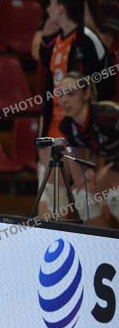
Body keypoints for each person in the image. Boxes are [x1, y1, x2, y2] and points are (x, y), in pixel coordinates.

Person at [37, 0, 110, 220]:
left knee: (86, 198)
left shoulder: (87, 39)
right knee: (51, 200)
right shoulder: (53, 42)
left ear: (61, 8)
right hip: (55, 130)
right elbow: (46, 92)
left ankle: (100, 241)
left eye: (50, 3)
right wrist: (42, 132)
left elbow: (103, 89)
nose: (47, 9)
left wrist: (93, 131)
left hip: (82, 133)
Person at [57, 72, 119, 228]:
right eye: (61, 94)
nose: (64, 100)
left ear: (86, 94)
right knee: (81, 197)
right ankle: (103, 242)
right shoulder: (67, 126)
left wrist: (108, 173)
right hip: (113, 165)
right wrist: (87, 173)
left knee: (116, 197)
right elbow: (78, 153)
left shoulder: (109, 115)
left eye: (71, 94)